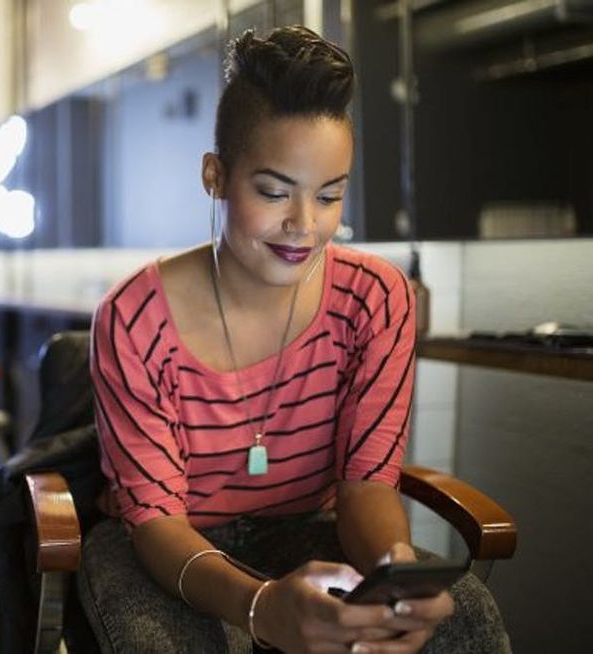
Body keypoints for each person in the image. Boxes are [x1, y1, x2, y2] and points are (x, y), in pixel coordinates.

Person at [81, 25, 509, 653]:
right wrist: (260, 607)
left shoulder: (375, 299)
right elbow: (156, 524)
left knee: (462, 617)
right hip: (168, 543)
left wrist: (391, 579)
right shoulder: (132, 317)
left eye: (329, 195)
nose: (304, 226)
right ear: (216, 176)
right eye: (274, 191)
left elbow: (367, 482)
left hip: (309, 525)